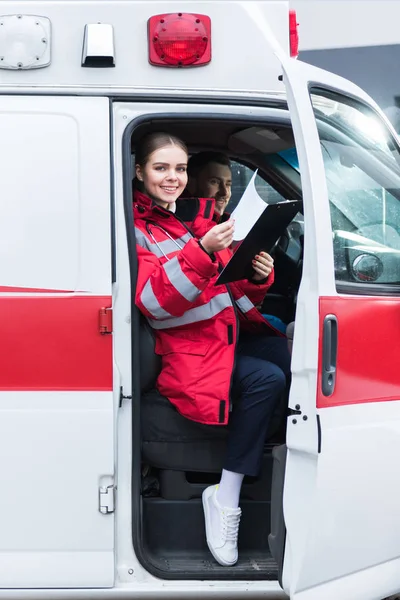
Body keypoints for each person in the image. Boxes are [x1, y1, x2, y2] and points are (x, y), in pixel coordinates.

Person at [133, 132, 291, 568]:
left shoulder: (191, 221)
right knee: (267, 378)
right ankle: (225, 497)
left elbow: (226, 295)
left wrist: (257, 279)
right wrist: (202, 252)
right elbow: (155, 303)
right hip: (190, 349)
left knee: (297, 359)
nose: (173, 177)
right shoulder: (137, 229)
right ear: (139, 171)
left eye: (180, 169)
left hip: (225, 335)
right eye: (161, 168)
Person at [186, 151, 232, 219]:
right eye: (214, 182)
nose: (224, 192)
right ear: (190, 182)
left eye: (228, 184)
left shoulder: (225, 221)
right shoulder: (181, 223)